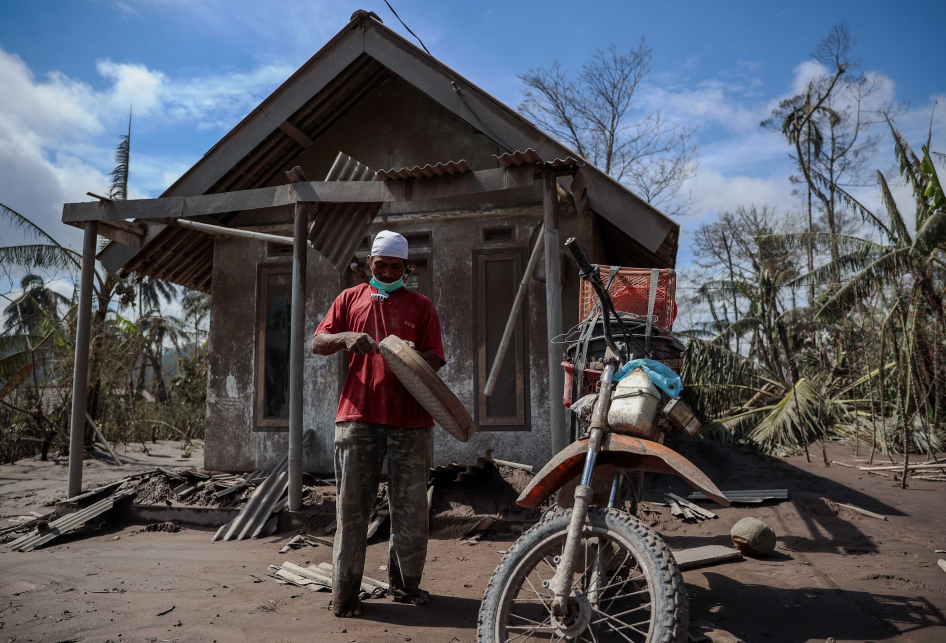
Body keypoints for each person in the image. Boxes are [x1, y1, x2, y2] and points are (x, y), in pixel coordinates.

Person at [311, 230, 445, 618]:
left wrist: (410, 356)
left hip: (411, 420)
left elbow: (435, 360)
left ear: (408, 267)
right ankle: (345, 595)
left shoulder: (422, 307)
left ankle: (405, 587)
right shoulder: (349, 299)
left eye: (395, 267)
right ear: (369, 264)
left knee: (411, 510)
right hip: (357, 418)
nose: (387, 272)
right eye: (381, 265)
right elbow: (317, 341)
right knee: (352, 511)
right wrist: (346, 337)